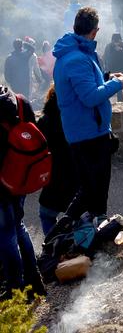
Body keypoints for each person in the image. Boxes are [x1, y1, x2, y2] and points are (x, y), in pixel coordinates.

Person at [53, 7, 123, 222]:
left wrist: (106, 77)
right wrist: (117, 83)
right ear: (95, 31)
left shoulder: (77, 52)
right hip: (89, 135)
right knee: (93, 192)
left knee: (90, 190)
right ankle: (74, 233)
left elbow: (84, 86)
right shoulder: (77, 58)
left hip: (87, 131)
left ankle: (88, 229)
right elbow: (89, 97)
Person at [0, 86, 44, 295]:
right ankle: (35, 281)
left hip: (0, 182)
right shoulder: (19, 100)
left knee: (5, 235)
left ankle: (15, 290)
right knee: (18, 225)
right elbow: (33, 132)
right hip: (20, 177)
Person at [36, 86, 78, 236]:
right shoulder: (77, 117)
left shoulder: (44, 121)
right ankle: (75, 250)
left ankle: (52, 248)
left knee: (46, 215)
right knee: (77, 217)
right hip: (77, 176)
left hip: (53, 178)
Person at [103, 34, 123, 102]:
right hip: (114, 70)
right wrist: (107, 69)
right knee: (118, 88)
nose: (117, 43)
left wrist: (121, 50)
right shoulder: (109, 46)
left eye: (118, 41)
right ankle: (120, 102)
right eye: (115, 41)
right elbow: (106, 58)